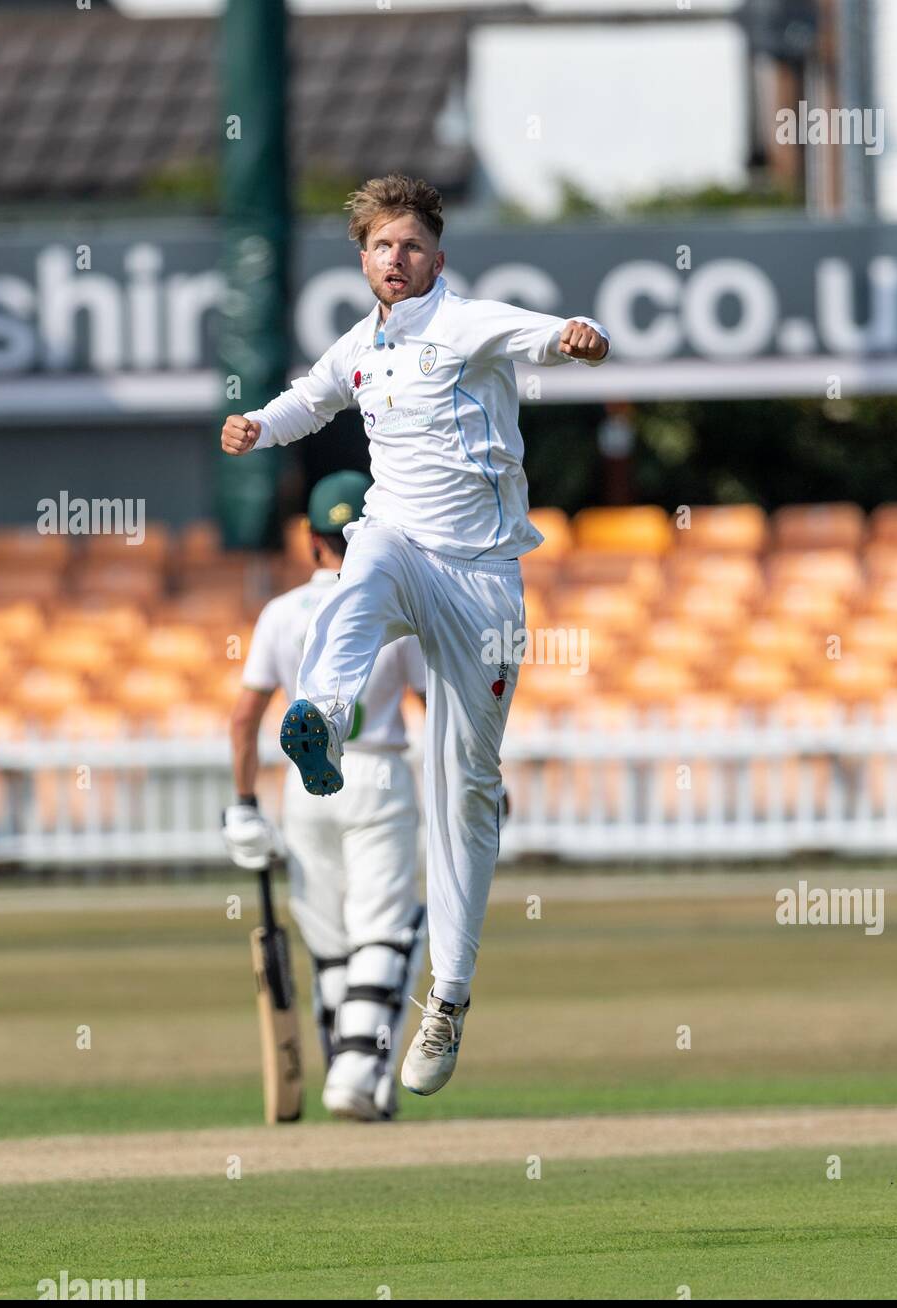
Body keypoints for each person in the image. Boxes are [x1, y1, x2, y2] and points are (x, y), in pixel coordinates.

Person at [221, 172, 609, 1097]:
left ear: (437, 255)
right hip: (398, 540)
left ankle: (450, 996)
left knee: (468, 787)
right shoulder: (359, 347)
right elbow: (305, 402)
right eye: (382, 248)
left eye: (413, 247)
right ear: (362, 259)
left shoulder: (467, 322)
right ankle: (320, 718)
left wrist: (575, 339)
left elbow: (543, 338)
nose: (398, 261)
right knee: (356, 572)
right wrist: (254, 427)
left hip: (482, 580)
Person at [222, 470, 427, 1121]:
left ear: (311, 543)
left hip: (301, 790)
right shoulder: (395, 609)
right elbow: (434, 706)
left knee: (332, 941)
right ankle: (356, 1072)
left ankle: (348, 1061)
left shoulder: (280, 612)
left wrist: (242, 806)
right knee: (385, 931)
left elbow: (243, 717)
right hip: (377, 773)